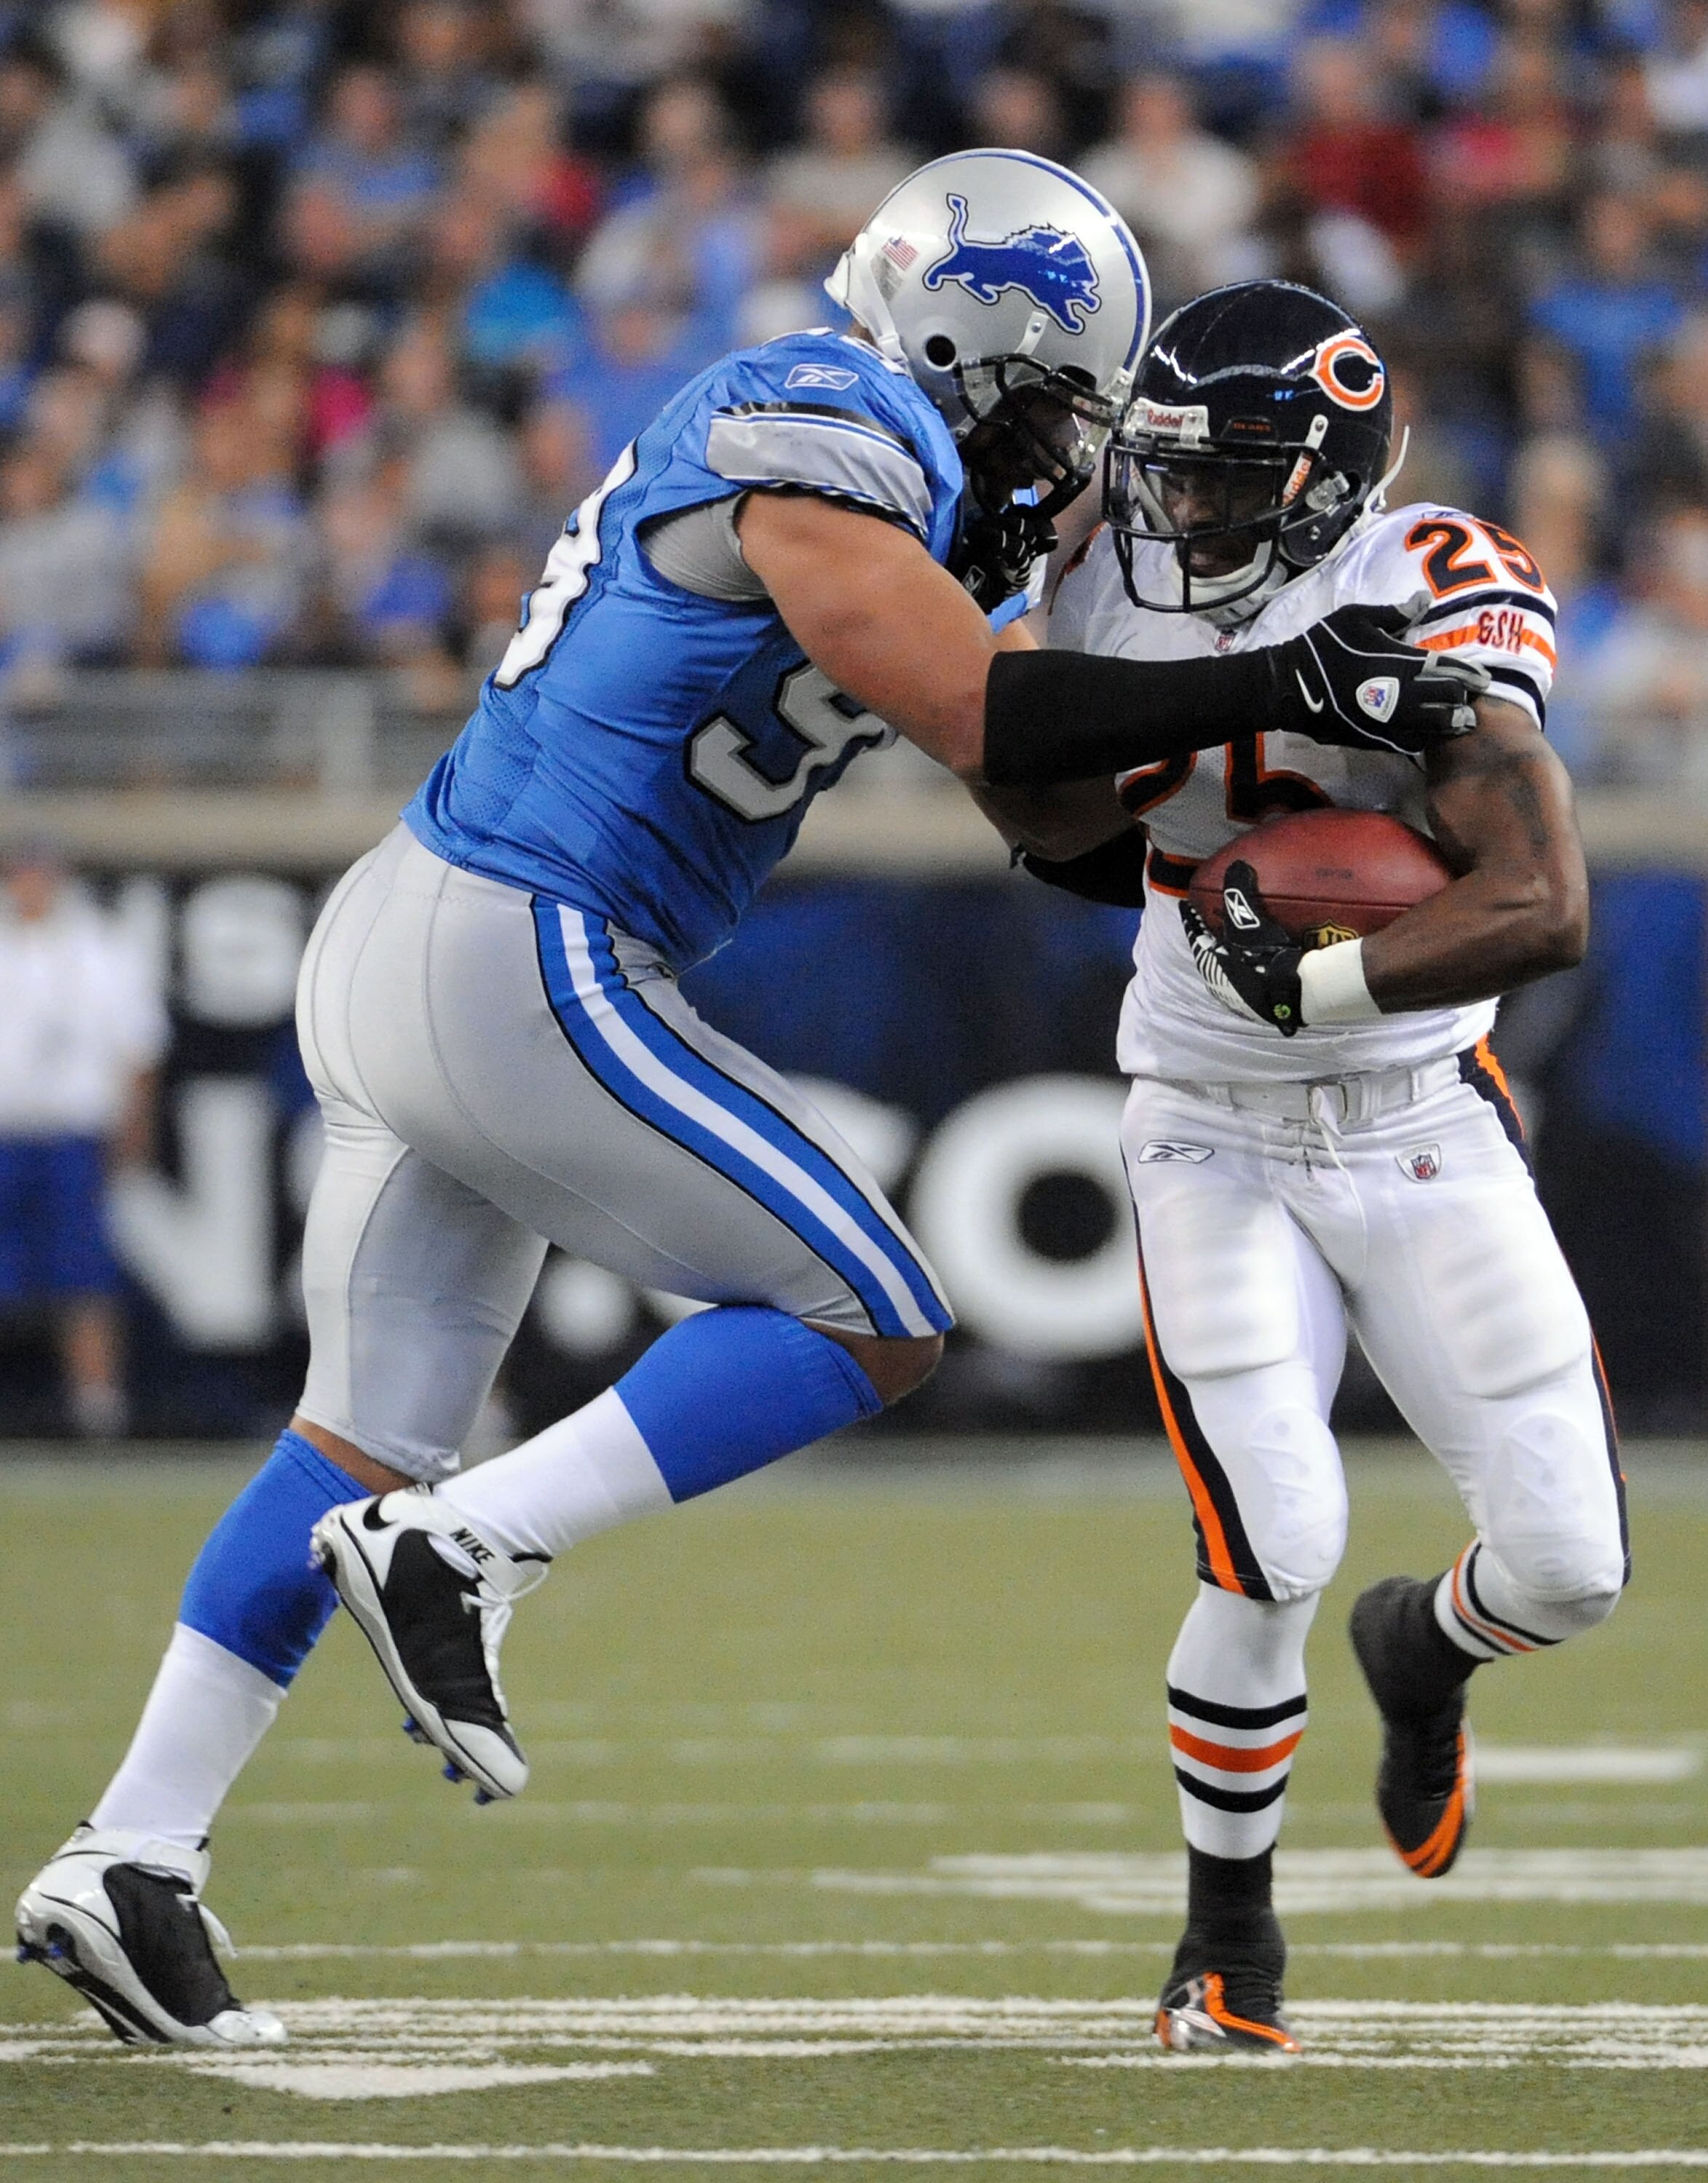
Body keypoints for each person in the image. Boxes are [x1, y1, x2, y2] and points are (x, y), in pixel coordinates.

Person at [16, 159, 1478, 2050]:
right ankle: (469, 1550)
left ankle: (131, 1859)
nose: (1053, 461)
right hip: (521, 934)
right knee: (867, 1304)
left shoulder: (904, 481)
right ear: (963, 349)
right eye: (1045, 410)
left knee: (358, 1440)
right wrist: (1291, 681)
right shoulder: (829, 418)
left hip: (438, 928)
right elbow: (991, 727)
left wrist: (1225, 817)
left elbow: (1038, 815)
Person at [981, 279, 1628, 2056]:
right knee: (1268, 1536)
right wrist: (1204, 709)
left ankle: (1421, 1653)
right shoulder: (1102, 563)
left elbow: (1543, 903)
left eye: (1235, 472)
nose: (1183, 506)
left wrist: (1325, 969)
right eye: (1173, 465)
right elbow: (1027, 802)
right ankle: (1225, 1940)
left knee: (1569, 1566)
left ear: (1332, 476)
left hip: (1417, 1099)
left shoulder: (1436, 579)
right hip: (1206, 1107)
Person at [0, 843, 165, 1437]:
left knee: (84, 1274)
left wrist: (132, 1131)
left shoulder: (100, 949)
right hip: (7, 1131)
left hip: (73, 1132)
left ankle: (97, 1404)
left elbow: (138, 1049)